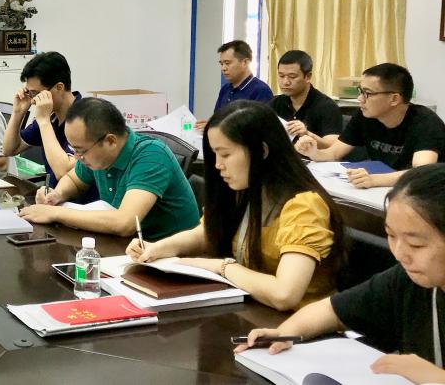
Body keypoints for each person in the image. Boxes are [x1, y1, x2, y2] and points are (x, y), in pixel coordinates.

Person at [235, 164, 445, 384]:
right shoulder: (407, 279)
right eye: (391, 236)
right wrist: (285, 333)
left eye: (416, 244)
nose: (400, 253)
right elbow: (332, 310)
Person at [127, 101, 344, 311]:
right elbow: (206, 232)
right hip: (253, 309)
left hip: (300, 322)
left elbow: (284, 295)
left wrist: (221, 267)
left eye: (226, 154)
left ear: (261, 151)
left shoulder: (304, 205)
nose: (218, 165)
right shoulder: (243, 190)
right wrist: (157, 248)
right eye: (215, 154)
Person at [18, 97, 199, 240]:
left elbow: (125, 223)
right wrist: (56, 195)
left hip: (173, 258)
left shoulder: (151, 155)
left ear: (110, 141)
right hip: (129, 247)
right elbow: (74, 180)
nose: (78, 157)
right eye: (74, 150)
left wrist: (56, 213)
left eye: (81, 151)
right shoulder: (99, 156)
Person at [296, 63, 445, 188]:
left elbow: (421, 173)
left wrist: (374, 180)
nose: (360, 99)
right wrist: (313, 152)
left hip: (427, 193)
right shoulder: (365, 115)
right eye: (360, 91)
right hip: (384, 189)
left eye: (367, 93)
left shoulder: (425, 122)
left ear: (394, 99)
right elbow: (334, 153)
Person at [2, 51, 81, 188]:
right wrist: (18, 112)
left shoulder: (84, 117)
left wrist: (44, 121)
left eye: (36, 93)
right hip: (52, 196)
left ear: (59, 87)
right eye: (29, 93)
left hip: (80, 200)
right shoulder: (51, 116)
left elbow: (63, 173)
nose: (32, 100)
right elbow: (9, 150)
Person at [269, 50, 343, 146]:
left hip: (314, 156)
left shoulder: (327, 107)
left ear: (308, 76)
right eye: (281, 76)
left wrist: (307, 134)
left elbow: (333, 147)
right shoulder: (275, 103)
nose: (285, 82)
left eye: (292, 76)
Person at [197, 40, 273, 128]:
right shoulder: (225, 89)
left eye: (227, 63)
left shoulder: (261, 90)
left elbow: (259, 128)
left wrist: (219, 128)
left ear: (245, 62)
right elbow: (217, 119)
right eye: (221, 64)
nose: (223, 68)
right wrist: (210, 124)